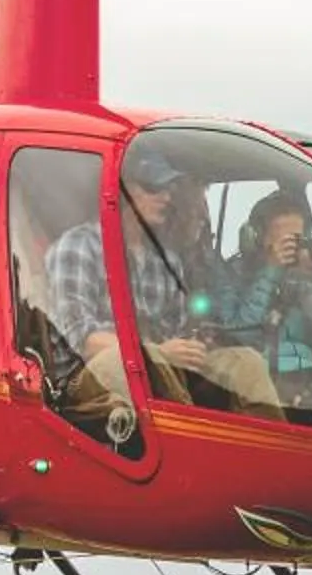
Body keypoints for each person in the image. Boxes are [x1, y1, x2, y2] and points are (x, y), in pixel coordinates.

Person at [42, 146, 281, 432]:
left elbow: (178, 330)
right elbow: (81, 339)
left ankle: (271, 454)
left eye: (168, 188)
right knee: (127, 360)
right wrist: (159, 353)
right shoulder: (78, 247)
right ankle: (192, 446)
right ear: (123, 191)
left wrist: (193, 346)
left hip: (158, 369)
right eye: (154, 187)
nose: (166, 197)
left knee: (246, 362)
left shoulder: (166, 259)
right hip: (88, 376)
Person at [211, 187, 312, 383]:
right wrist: (270, 271)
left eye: (298, 240)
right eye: (285, 242)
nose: (293, 248)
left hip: (306, 378)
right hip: (252, 380)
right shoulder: (229, 275)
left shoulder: (308, 274)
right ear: (255, 238)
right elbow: (239, 337)